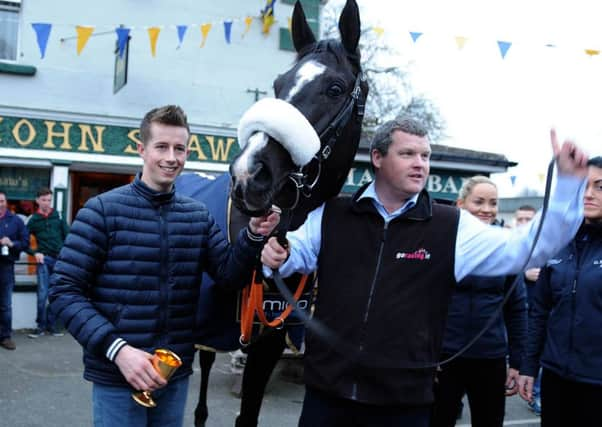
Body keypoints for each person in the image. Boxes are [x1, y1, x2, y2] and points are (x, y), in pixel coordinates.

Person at [261, 117, 588, 427]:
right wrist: (277, 254)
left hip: (404, 403)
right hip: (326, 396)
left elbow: (526, 249)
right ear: (377, 157)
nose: (420, 163)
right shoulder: (333, 213)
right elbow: (293, 255)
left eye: (425, 155)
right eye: (407, 154)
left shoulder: (452, 226)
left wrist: (568, 187)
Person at [48, 105, 280, 427]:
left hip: (173, 374)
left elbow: (228, 275)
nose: (172, 157)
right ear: (142, 149)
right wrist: (119, 351)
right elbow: (63, 291)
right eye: (162, 147)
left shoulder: (197, 216)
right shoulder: (101, 211)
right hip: (118, 373)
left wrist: (254, 235)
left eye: (179, 148)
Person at [430, 176, 527, 427]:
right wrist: (425, 354)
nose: (487, 209)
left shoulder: (506, 248)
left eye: (493, 203)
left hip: (490, 357)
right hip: (445, 358)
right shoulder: (441, 244)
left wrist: (517, 362)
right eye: (479, 202)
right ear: (461, 204)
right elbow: (421, 305)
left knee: (490, 421)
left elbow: (516, 308)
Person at [518, 156, 602, 427]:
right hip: (556, 378)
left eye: (600, 186)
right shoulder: (558, 242)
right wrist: (529, 367)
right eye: (582, 186)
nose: (588, 194)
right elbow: (539, 311)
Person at [26, 187, 70, 338]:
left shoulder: (57, 216)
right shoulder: (33, 220)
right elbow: (23, 241)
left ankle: (53, 327)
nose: (47, 203)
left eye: (49, 200)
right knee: (42, 294)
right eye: (44, 200)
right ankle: (40, 327)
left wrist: (65, 254)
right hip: (43, 260)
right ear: (37, 200)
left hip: (59, 260)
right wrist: (34, 252)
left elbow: (68, 236)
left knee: (55, 294)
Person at [513, 204, 543, 415]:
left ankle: (538, 394)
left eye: (528, 219)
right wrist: (523, 273)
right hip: (521, 312)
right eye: (520, 219)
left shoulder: (549, 245)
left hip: (541, 311)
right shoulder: (511, 245)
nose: (523, 223)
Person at [0, 190, 29, 350]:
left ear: (6, 202)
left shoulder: (16, 221)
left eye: (2, 201)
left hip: (6, 266)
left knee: (5, 304)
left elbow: (25, 242)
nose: (0, 204)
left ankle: (5, 337)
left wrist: (12, 244)